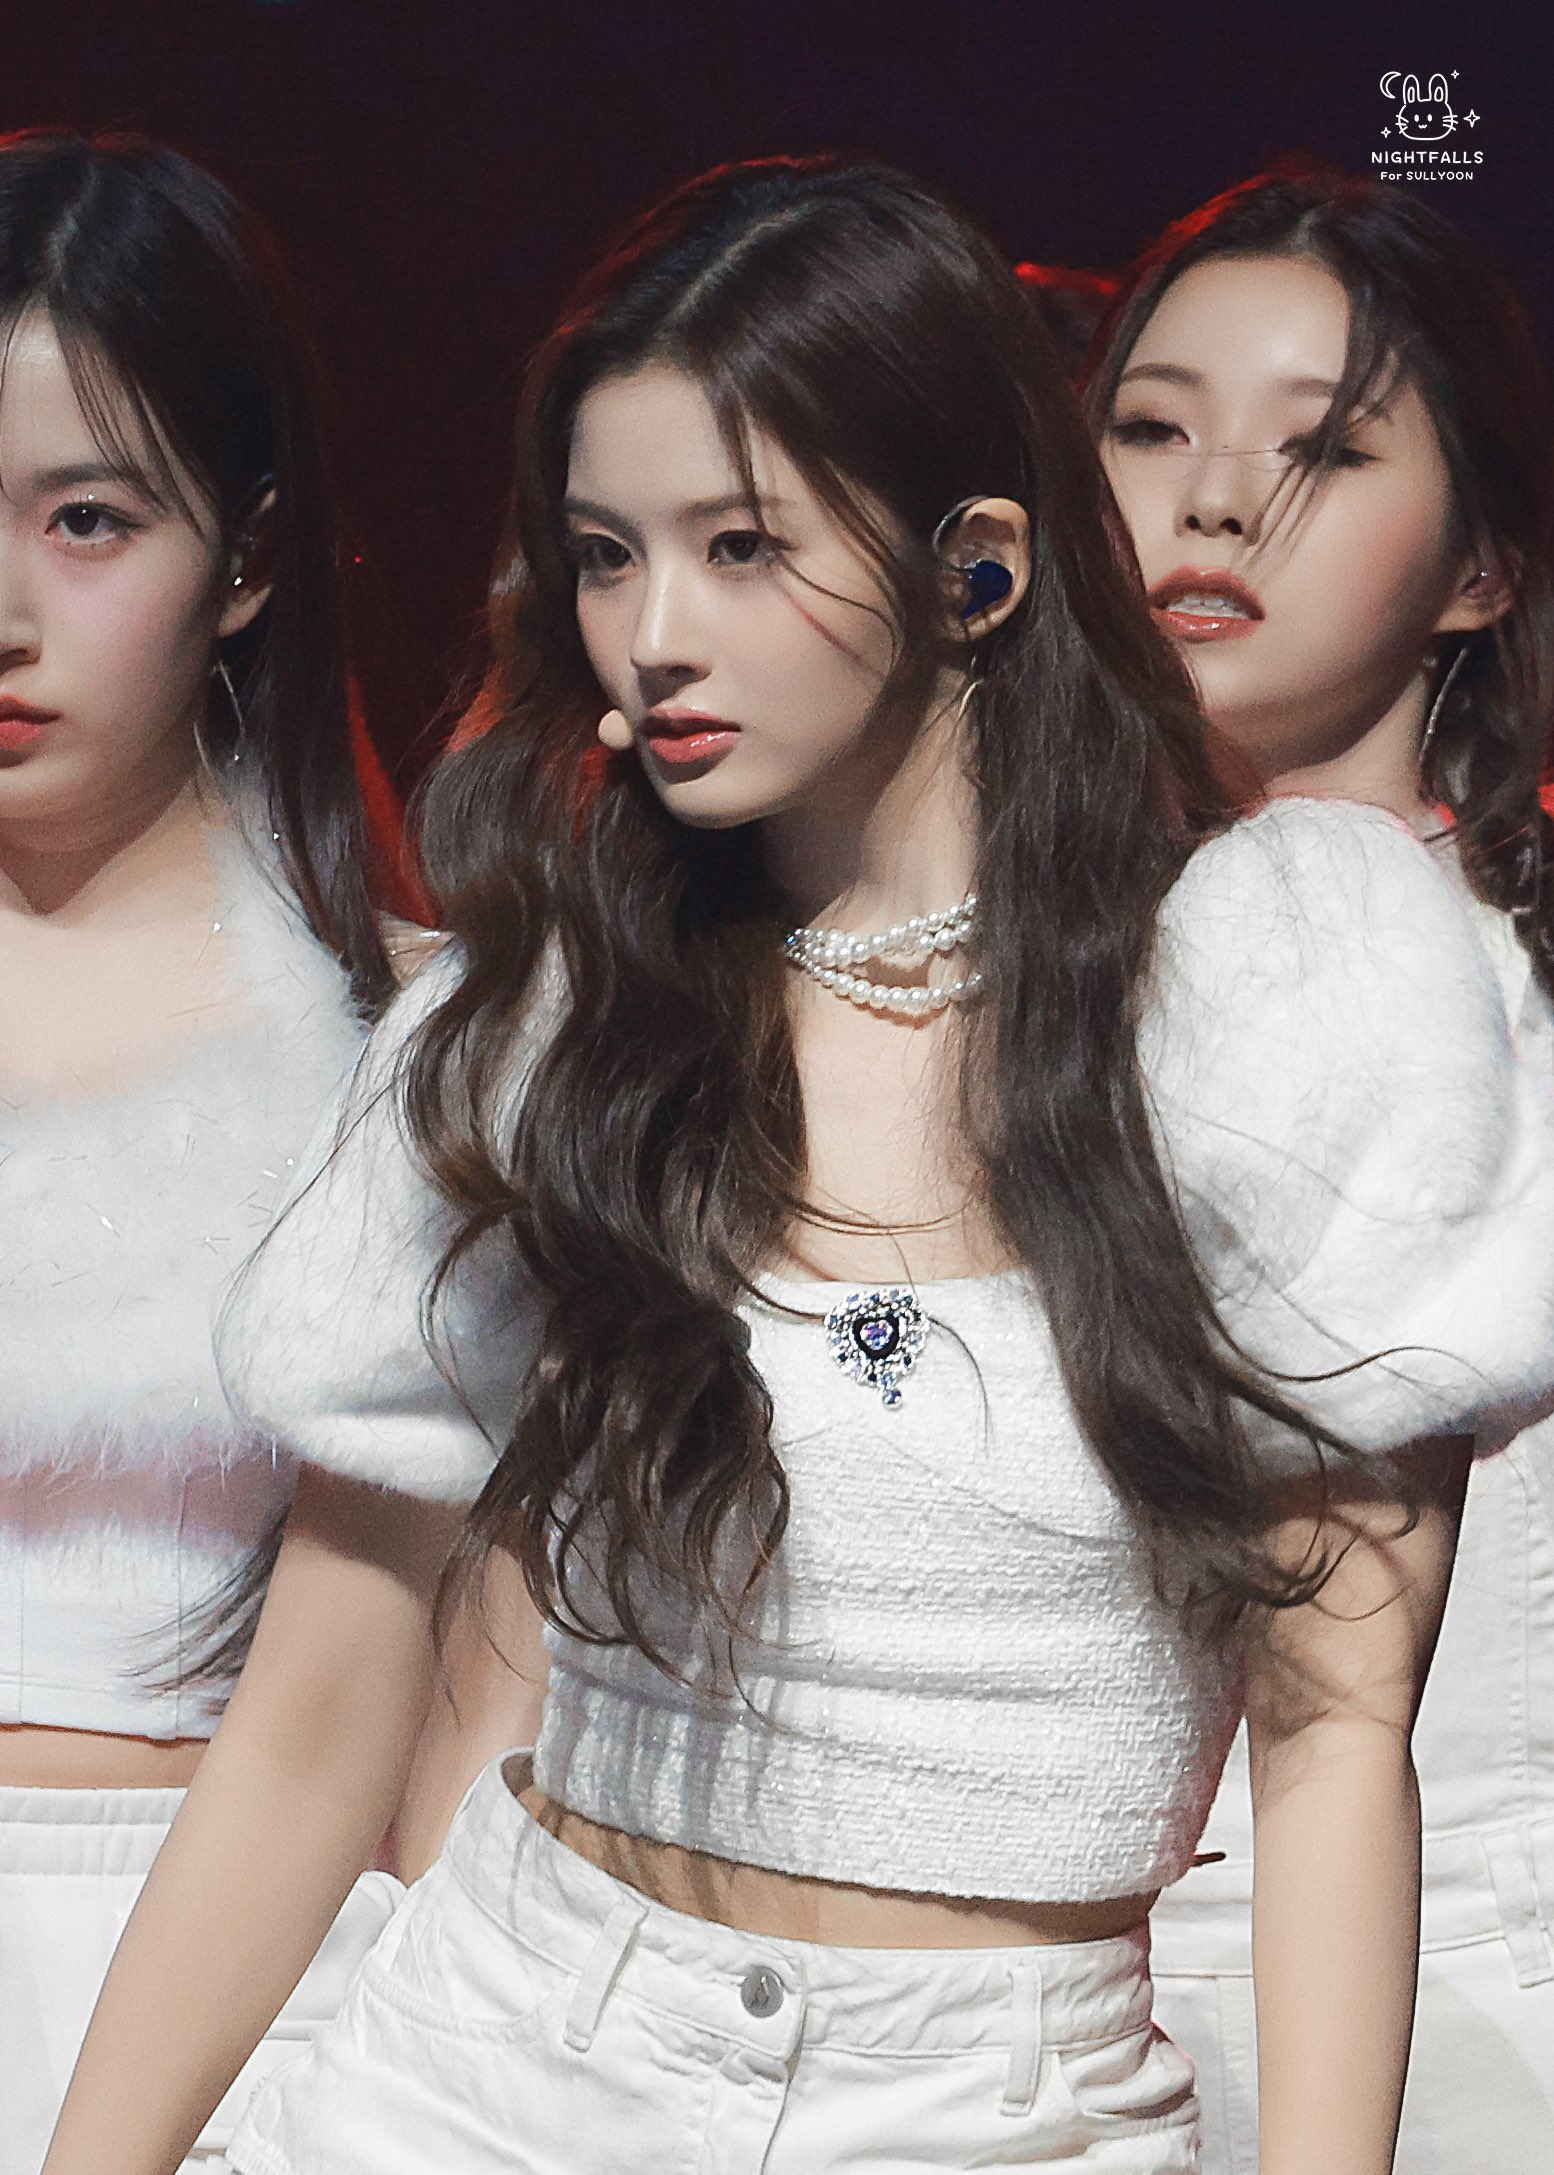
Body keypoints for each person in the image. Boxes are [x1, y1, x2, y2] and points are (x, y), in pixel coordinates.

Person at [44, 155, 1554, 2175]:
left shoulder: (1285, 993)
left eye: (741, 545)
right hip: (492, 2071)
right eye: (605, 555)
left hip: (998, 2107)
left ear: (977, 566)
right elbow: (314, 1724)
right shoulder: (563, 1016)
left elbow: (1336, 1738)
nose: (651, 637)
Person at [1088, 162, 1554, 2173]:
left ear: (1481, 569)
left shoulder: (1492, 989)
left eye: (1322, 448)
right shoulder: (1008, 971)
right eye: (1151, 426)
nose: (1215, 501)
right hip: (1039, 2019)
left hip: (1438, 2032)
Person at [0, 130, 410, 2172]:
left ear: (246, 561)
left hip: (216, 1989)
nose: (5, 609)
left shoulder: (408, 1045)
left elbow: (387, 1709)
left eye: (86, 519)